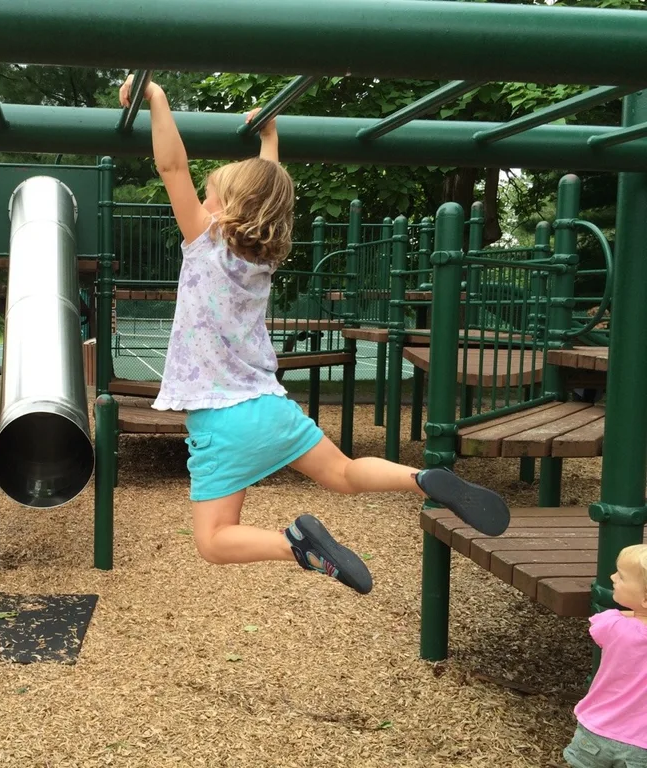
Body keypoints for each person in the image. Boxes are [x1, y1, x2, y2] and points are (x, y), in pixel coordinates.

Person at [118, 74, 511, 595]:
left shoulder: (205, 245)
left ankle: (295, 545)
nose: (202, 202)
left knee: (213, 542)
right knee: (345, 474)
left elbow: (172, 165)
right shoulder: (264, 257)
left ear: (227, 212)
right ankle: (421, 480)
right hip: (270, 408)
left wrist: (157, 97)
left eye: (209, 197)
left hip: (222, 420)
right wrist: (268, 140)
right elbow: (269, 190)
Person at [563, 544, 647, 768]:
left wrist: (633, 613)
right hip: (642, 745)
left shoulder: (613, 624)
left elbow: (602, 621)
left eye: (621, 576)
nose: (612, 576)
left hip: (597, 729)